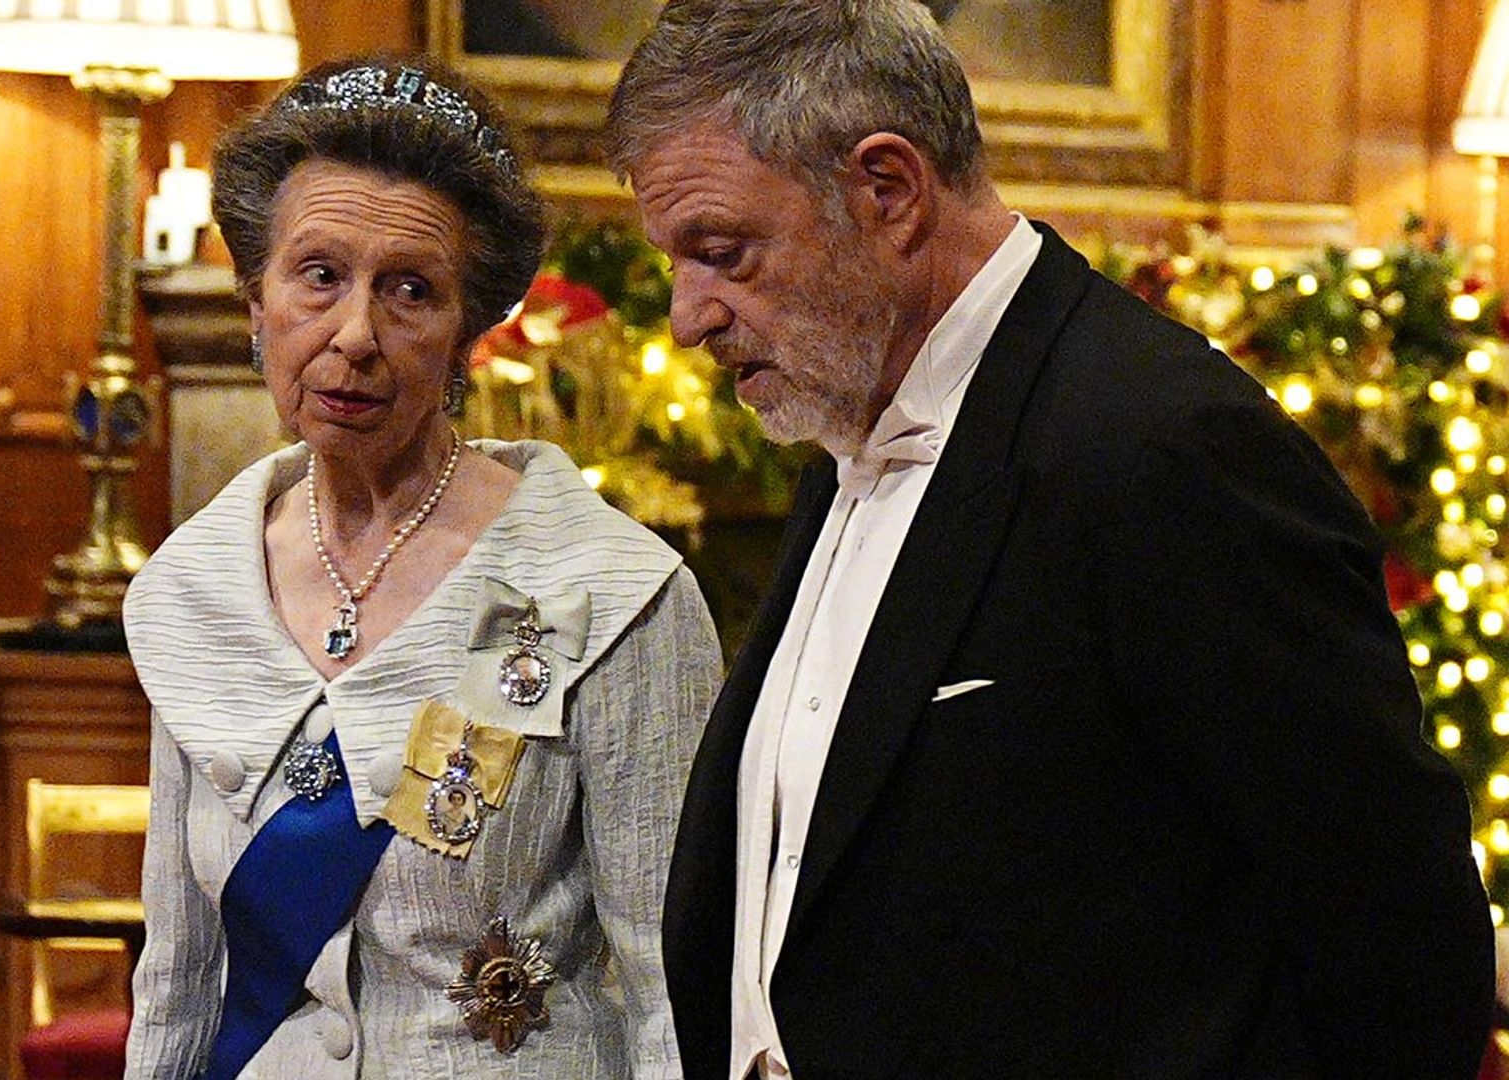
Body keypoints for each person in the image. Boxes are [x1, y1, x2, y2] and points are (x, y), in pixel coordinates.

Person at [605, 2, 1495, 1078]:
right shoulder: (850, 425)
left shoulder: (1163, 447)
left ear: (886, 190)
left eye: (721, 253)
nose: (687, 316)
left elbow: (1395, 927)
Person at [122, 56, 721, 1080]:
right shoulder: (196, 590)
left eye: (410, 291)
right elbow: (177, 988)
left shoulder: (598, 590)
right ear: (254, 300)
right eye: (318, 276)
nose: (354, 335)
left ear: (468, 332)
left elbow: (678, 991)